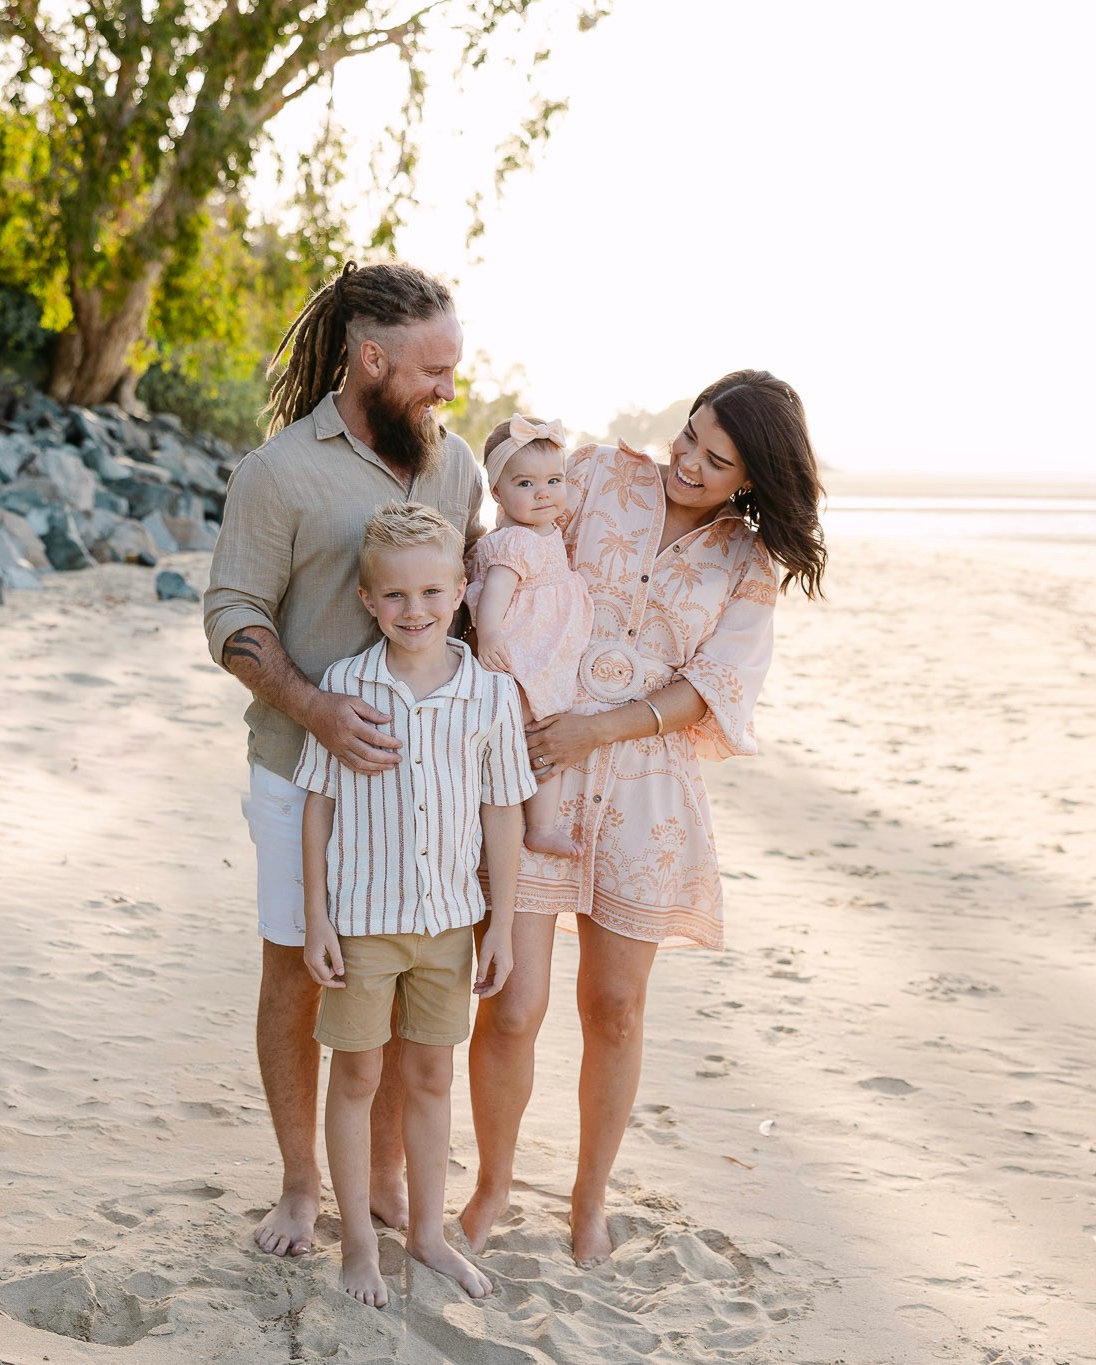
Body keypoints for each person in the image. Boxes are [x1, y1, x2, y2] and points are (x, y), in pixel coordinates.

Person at [459, 370, 830, 1264]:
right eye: (689, 435)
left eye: (715, 457)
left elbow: (715, 688)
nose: (687, 460)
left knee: (615, 1007)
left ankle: (590, 1202)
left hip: (645, 791)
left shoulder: (747, 566)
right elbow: (513, 525)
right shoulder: (596, 475)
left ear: (752, 475)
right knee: (512, 1001)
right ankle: (492, 1187)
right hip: (539, 760)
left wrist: (603, 729)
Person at [204, 261, 488, 1258]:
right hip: (299, 771)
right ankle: (295, 1185)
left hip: (427, 797)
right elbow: (230, 615)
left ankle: (377, 1186)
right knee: (299, 968)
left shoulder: (454, 467)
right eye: (432, 369)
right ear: (371, 358)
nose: (447, 387)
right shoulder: (277, 472)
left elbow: (478, 600)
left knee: (406, 980)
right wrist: (314, 706)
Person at [296, 503, 531, 1305]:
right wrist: (317, 917)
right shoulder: (344, 686)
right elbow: (318, 804)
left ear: (463, 590)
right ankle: (359, 1244)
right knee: (358, 1071)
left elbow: (502, 810)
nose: (415, 610)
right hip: (362, 921)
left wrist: (500, 922)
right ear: (367, 600)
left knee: (432, 1073)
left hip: (448, 923)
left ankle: (427, 1236)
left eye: (433, 591)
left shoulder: (489, 696)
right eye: (394, 596)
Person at [465, 414, 593, 857]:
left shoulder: (547, 528)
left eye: (554, 480)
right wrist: (491, 633)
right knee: (523, 735)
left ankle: (540, 826)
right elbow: (496, 591)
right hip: (520, 654)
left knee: (545, 741)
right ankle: (519, 820)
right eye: (525, 484)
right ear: (497, 492)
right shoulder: (514, 542)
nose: (543, 492)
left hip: (546, 654)